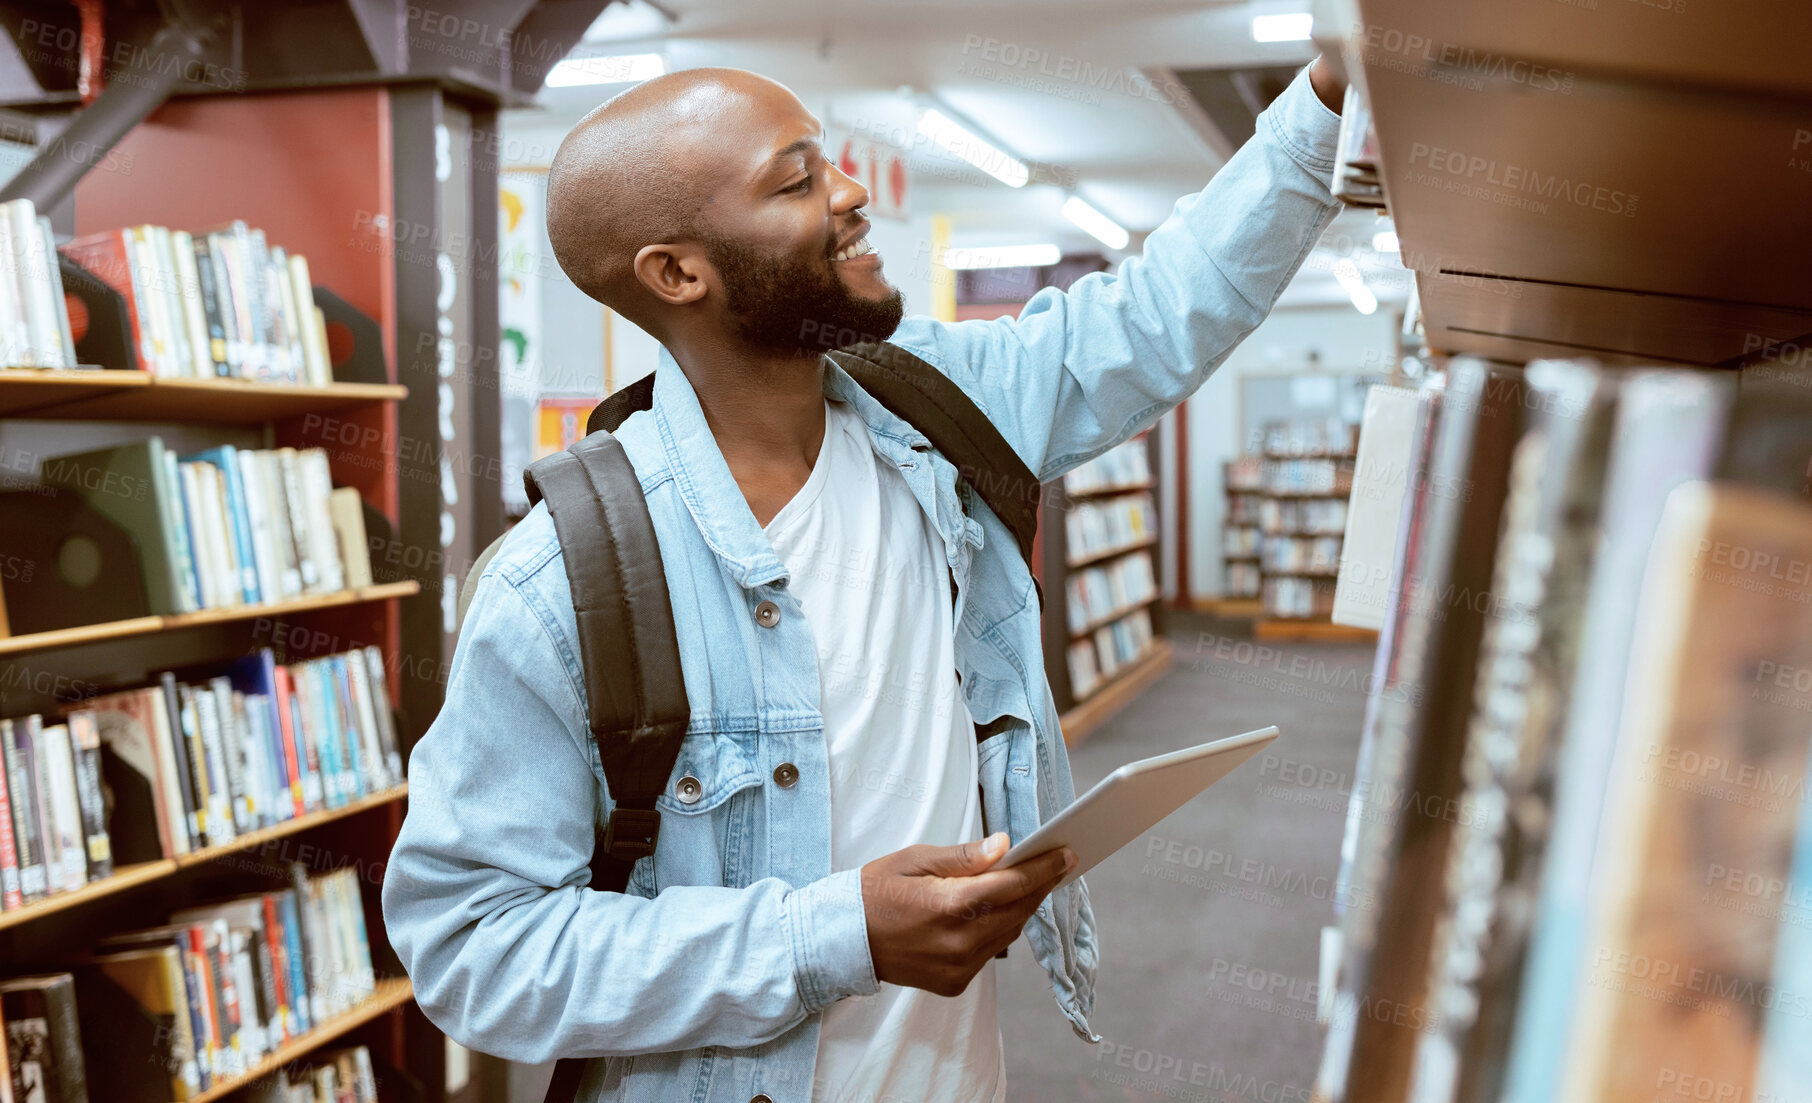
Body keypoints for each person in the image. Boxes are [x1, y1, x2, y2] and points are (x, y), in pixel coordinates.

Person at [382, 53, 1348, 1103]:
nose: (849, 193)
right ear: (677, 273)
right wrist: (832, 935)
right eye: (796, 182)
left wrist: (1328, 95)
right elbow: (474, 945)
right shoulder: (562, 582)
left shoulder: (928, 411)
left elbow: (1158, 314)